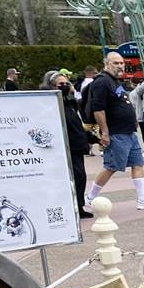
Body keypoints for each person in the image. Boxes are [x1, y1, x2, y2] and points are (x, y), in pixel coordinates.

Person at [85, 51, 144, 210]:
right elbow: (98, 109)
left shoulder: (114, 82)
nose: (120, 66)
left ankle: (143, 199)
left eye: (121, 63)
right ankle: (89, 197)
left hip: (128, 132)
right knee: (111, 166)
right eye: (116, 63)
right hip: (116, 132)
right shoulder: (102, 82)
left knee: (137, 163)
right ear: (106, 64)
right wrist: (105, 132)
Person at [43, 70, 93, 219]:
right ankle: (69, 207)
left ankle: (78, 206)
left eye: (66, 83)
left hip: (76, 147)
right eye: (61, 84)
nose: (64, 86)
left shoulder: (69, 103)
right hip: (64, 147)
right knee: (70, 178)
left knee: (80, 177)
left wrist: (91, 138)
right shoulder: (51, 105)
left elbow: (76, 126)